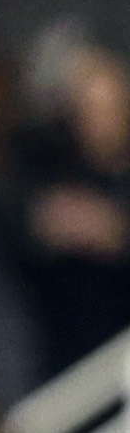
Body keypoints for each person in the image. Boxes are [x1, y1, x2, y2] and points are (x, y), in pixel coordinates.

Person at [18, 39, 130, 379]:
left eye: (110, 100)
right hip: (90, 369)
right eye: (86, 101)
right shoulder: (50, 174)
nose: (100, 112)